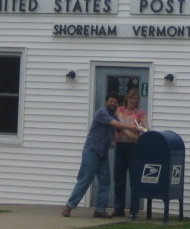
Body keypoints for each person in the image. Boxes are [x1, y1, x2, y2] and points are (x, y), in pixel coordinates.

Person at [62, 93, 140, 218]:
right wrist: (132, 126)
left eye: (115, 102)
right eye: (111, 101)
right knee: (85, 180)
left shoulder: (114, 116)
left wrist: (138, 137)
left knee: (105, 182)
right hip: (92, 151)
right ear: (106, 102)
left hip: (103, 153)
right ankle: (69, 206)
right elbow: (116, 125)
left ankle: (100, 209)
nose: (113, 104)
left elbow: (123, 131)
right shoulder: (101, 112)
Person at [113, 88, 148, 217]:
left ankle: (134, 210)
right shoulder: (120, 111)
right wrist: (128, 131)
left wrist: (138, 128)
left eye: (136, 98)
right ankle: (119, 209)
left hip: (134, 147)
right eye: (131, 98)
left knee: (134, 179)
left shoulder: (140, 113)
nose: (133, 100)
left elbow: (145, 129)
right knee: (119, 178)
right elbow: (116, 125)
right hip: (120, 145)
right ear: (127, 98)